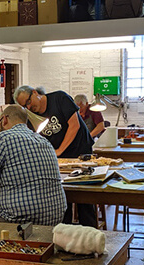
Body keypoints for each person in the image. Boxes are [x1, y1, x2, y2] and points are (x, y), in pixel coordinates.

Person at [0, 105, 66, 225]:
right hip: (54, 218)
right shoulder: (44, 141)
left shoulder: (3, 138)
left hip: (19, 219)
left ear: (4, 120)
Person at [14, 85, 97, 227]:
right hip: (58, 159)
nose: (28, 107)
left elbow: (74, 125)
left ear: (35, 93)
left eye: (28, 102)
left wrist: (59, 150)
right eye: (24, 106)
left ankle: (91, 237)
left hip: (80, 152)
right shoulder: (32, 116)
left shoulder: (60, 98)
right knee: (63, 198)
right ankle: (66, 237)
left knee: (84, 198)